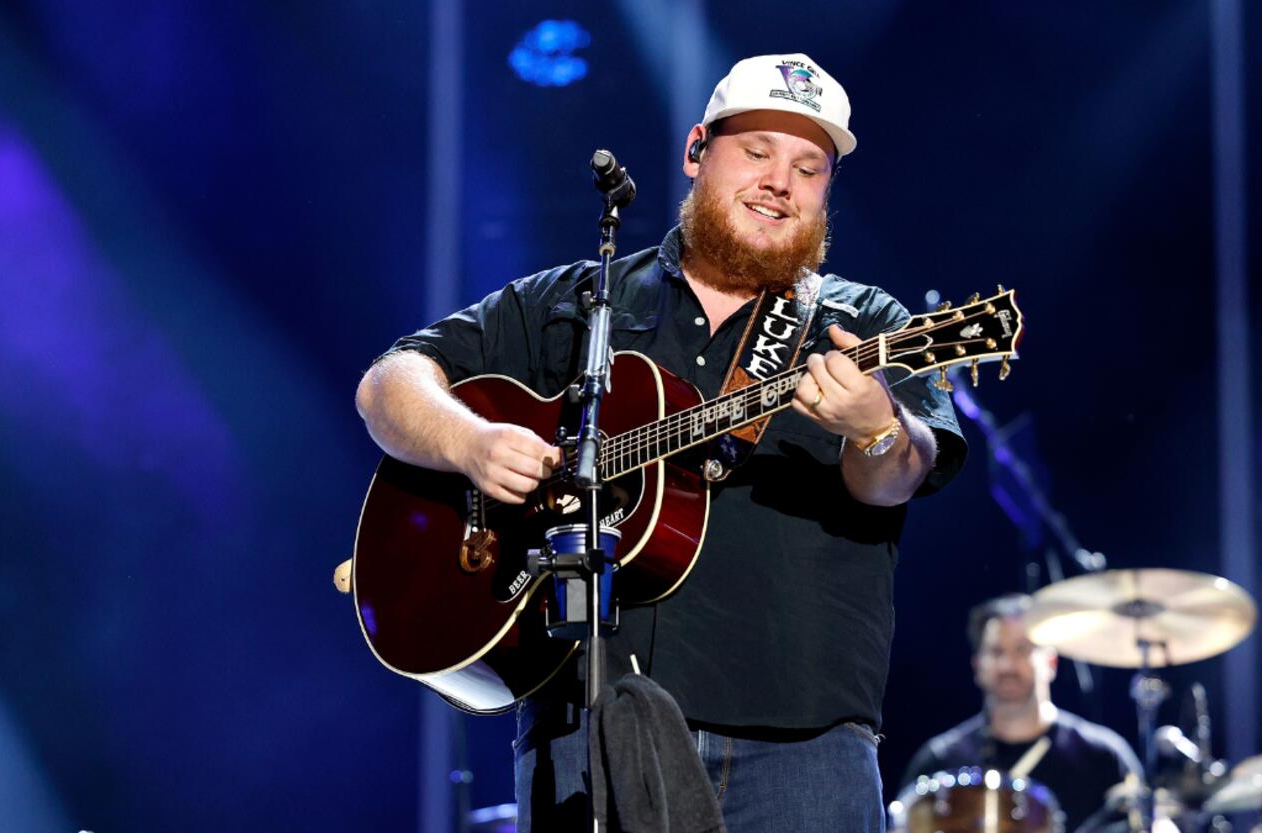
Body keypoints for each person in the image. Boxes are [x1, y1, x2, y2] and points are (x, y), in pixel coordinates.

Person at [355, 53, 967, 832]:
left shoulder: (865, 321)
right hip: (588, 727)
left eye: (809, 168)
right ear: (696, 151)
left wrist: (875, 428)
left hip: (802, 743)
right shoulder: (582, 300)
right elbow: (389, 384)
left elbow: (898, 476)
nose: (780, 182)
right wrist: (472, 442)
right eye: (757, 152)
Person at [900, 594, 1142, 832]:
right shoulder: (940, 761)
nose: (1007, 665)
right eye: (996, 652)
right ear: (977, 665)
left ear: (1051, 662)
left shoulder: (1104, 757)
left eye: (1021, 650)